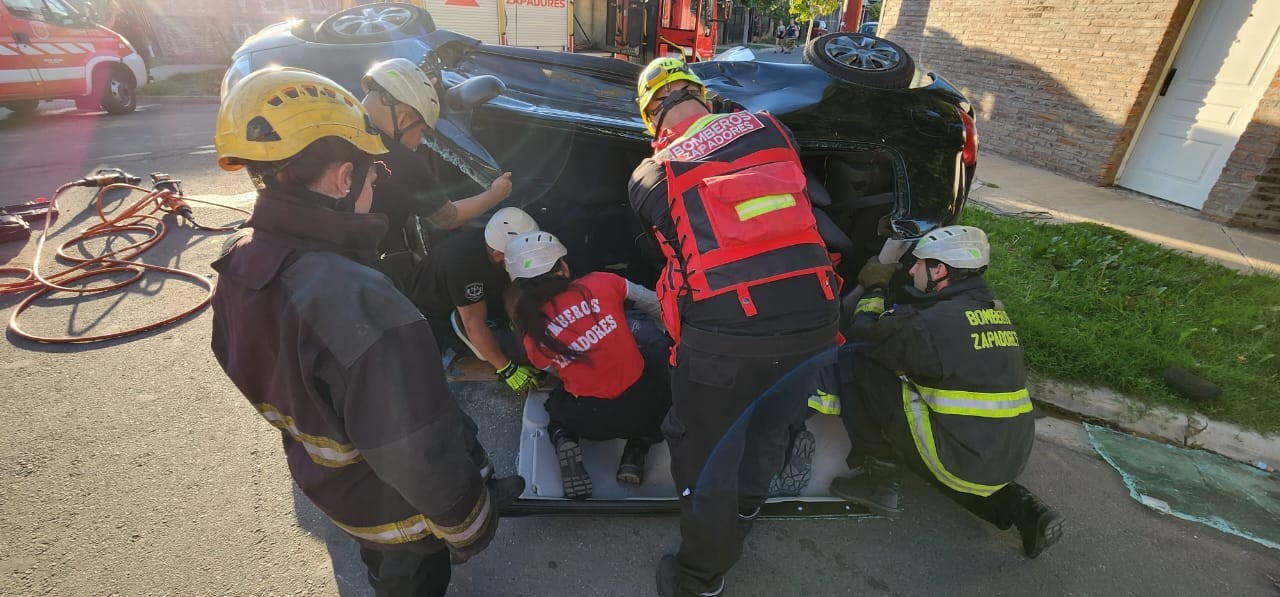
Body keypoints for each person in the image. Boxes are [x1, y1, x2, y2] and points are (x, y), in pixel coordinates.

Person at [209, 67, 522, 596]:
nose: (378, 181)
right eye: (373, 171)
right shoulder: (363, 304)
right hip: (397, 509)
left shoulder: (239, 264)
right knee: (412, 577)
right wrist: (470, 526)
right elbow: (417, 452)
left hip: (334, 486)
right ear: (341, 178)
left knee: (384, 560)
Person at [628, 58, 840, 597]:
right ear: (703, 95)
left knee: (703, 449)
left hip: (725, 337)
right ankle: (746, 508)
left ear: (652, 117)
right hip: (816, 318)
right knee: (773, 421)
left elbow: (668, 245)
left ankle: (699, 577)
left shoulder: (650, 174)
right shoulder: (773, 128)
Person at [831, 225, 1065, 559]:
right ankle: (1027, 511)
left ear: (940, 270)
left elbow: (863, 335)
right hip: (1008, 454)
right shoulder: (995, 312)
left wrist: (876, 287)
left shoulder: (928, 325)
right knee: (964, 456)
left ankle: (879, 478)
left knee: (858, 360)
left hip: (963, 457)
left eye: (919, 263)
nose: (911, 270)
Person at [504, 231, 672, 499]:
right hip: (644, 408)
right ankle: (637, 448)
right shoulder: (601, 282)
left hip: (590, 422)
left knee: (557, 403)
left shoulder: (532, 333)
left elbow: (555, 371)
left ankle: (564, 438)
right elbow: (655, 304)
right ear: (563, 267)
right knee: (662, 379)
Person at [360, 58, 514, 257]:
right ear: (402, 119)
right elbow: (448, 218)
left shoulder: (332, 129)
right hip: (371, 266)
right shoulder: (403, 162)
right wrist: (496, 193)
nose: (420, 142)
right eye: (423, 132)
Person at [407, 206, 542, 393]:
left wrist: (517, 321)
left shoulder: (495, 244)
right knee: (510, 352)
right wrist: (506, 368)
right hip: (431, 312)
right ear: (498, 254)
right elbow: (473, 324)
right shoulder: (465, 266)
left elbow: (510, 288)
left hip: (469, 294)